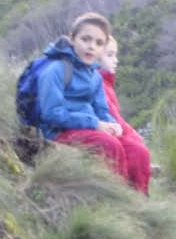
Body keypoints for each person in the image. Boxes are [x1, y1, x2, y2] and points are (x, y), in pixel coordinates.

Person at [37, 12, 145, 193]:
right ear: (72, 39)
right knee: (109, 145)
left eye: (98, 43)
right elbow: (51, 114)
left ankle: (141, 201)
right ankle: (119, 199)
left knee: (138, 151)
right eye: (85, 39)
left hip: (89, 128)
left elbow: (101, 109)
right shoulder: (55, 70)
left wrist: (111, 124)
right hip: (60, 132)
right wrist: (95, 123)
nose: (91, 47)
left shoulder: (94, 76)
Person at [98, 35, 153, 195]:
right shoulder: (98, 83)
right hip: (105, 130)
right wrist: (134, 137)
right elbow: (113, 117)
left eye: (115, 55)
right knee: (138, 152)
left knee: (139, 150)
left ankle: (136, 196)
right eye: (110, 55)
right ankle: (137, 197)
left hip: (108, 129)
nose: (116, 60)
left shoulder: (104, 82)